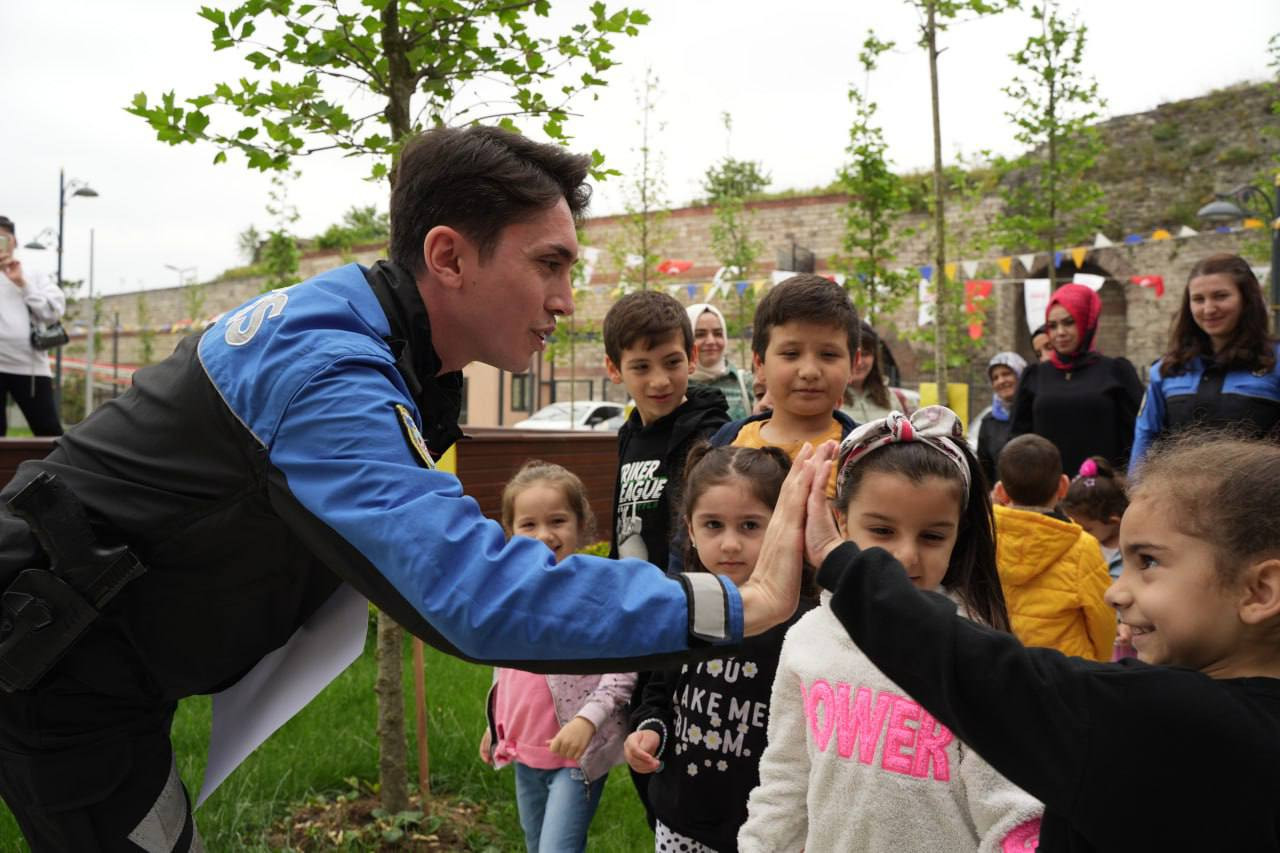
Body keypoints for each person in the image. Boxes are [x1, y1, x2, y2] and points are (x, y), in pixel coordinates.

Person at [0, 126, 805, 852]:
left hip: (96, 672)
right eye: (549, 264)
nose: (566, 299)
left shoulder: (366, 338)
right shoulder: (326, 369)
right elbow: (474, 589)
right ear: (449, 257)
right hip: (58, 676)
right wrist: (740, 602)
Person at [785, 431, 1280, 851]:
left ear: (1259, 591)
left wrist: (838, 559)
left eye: (1148, 561)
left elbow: (983, 673)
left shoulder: (1170, 717)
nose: (1115, 591)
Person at [739, 407, 1041, 852]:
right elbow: (785, 778)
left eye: (932, 536)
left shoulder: (974, 651)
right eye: (882, 530)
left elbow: (1009, 802)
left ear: (959, 534)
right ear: (841, 521)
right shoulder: (807, 640)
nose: (906, 556)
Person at [624, 445, 816, 852]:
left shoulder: (805, 626)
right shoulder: (684, 606)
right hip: (680, 820)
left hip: (762, 832)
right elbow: (657, 696)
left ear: (784, 526)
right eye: (713, 524)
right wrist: (650, 731)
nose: (730, 544)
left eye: (750, 525)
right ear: (690, 530)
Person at [479, 461, 633, 853]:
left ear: (581, 525)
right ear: (511, 532)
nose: (544, 535)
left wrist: (587, 721)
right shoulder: (512, 595)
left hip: (578, 756)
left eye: (558, 521)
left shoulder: (597, 594)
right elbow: (507, 667)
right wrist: (497, 721)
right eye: (528, 525)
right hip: (525, 752)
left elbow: (623, 669)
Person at [605, 291, 729, 566]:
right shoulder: (629, 433)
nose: (660, 380)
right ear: (614, 369)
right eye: (641, 367)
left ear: (692, 357)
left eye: (672, 362)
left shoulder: (712, 435)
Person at [709, 274, 858, 497]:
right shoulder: (726, 442)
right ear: (759, 363)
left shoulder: (868, 455)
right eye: (791, 354)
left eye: (828, 354)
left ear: (853, 364)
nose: (809, 371)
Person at [1130, 253, 1280, 472]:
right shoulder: (1167, 370)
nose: (1209, 309)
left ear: (1246, 299)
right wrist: (1137, 491)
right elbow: (1145, 440)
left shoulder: (1275, 362)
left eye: (1221, 296)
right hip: (1180, 492)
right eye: (1199, 299)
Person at [991, 435, 1115, 661]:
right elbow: (1103, 619)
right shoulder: (1082, 547)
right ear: (1063, 486)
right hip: (1067, 671)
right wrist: (1101, 663)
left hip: (1005, 666)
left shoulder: (986, 539)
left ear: (1000, 492)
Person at [1010, 283, 1144, 473]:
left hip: (1103, 486)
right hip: (1047, 486)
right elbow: (1018, 441)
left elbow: (1137, 437)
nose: (1060, 332)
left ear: (1086, 321)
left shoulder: (1116, 371)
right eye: (1052, 326)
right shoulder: (1034, 376)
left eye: (1069, 322)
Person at [0, 216, 65, 436]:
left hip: (29, 366)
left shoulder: (33, 274)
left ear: (14, 241)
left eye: (2, 238)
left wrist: (23, 284)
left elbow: (53, 313)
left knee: (48, 431)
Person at [1060, 456, 1128, 581]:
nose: (1079, 534)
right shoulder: (1079, 543)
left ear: (1113, 521)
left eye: (1087, 530)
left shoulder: (1129, 549)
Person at [686, 303, 752, 421]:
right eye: (700, 334)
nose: (711, 341)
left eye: (718, 334)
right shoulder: (676, 388)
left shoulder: (746, 384)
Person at [839, 321, 912, 424]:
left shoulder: (891, 398)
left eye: (865, 354)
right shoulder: (828, 399)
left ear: (875, 358)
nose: (859, 362)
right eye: (852, 354)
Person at [974, 351, 1027, 487]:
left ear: (1021, 375)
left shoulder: (1036, 412)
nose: (1001, 381)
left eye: (1006, 374)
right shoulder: (989, 422)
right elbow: (985, 470)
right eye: (995, 378)